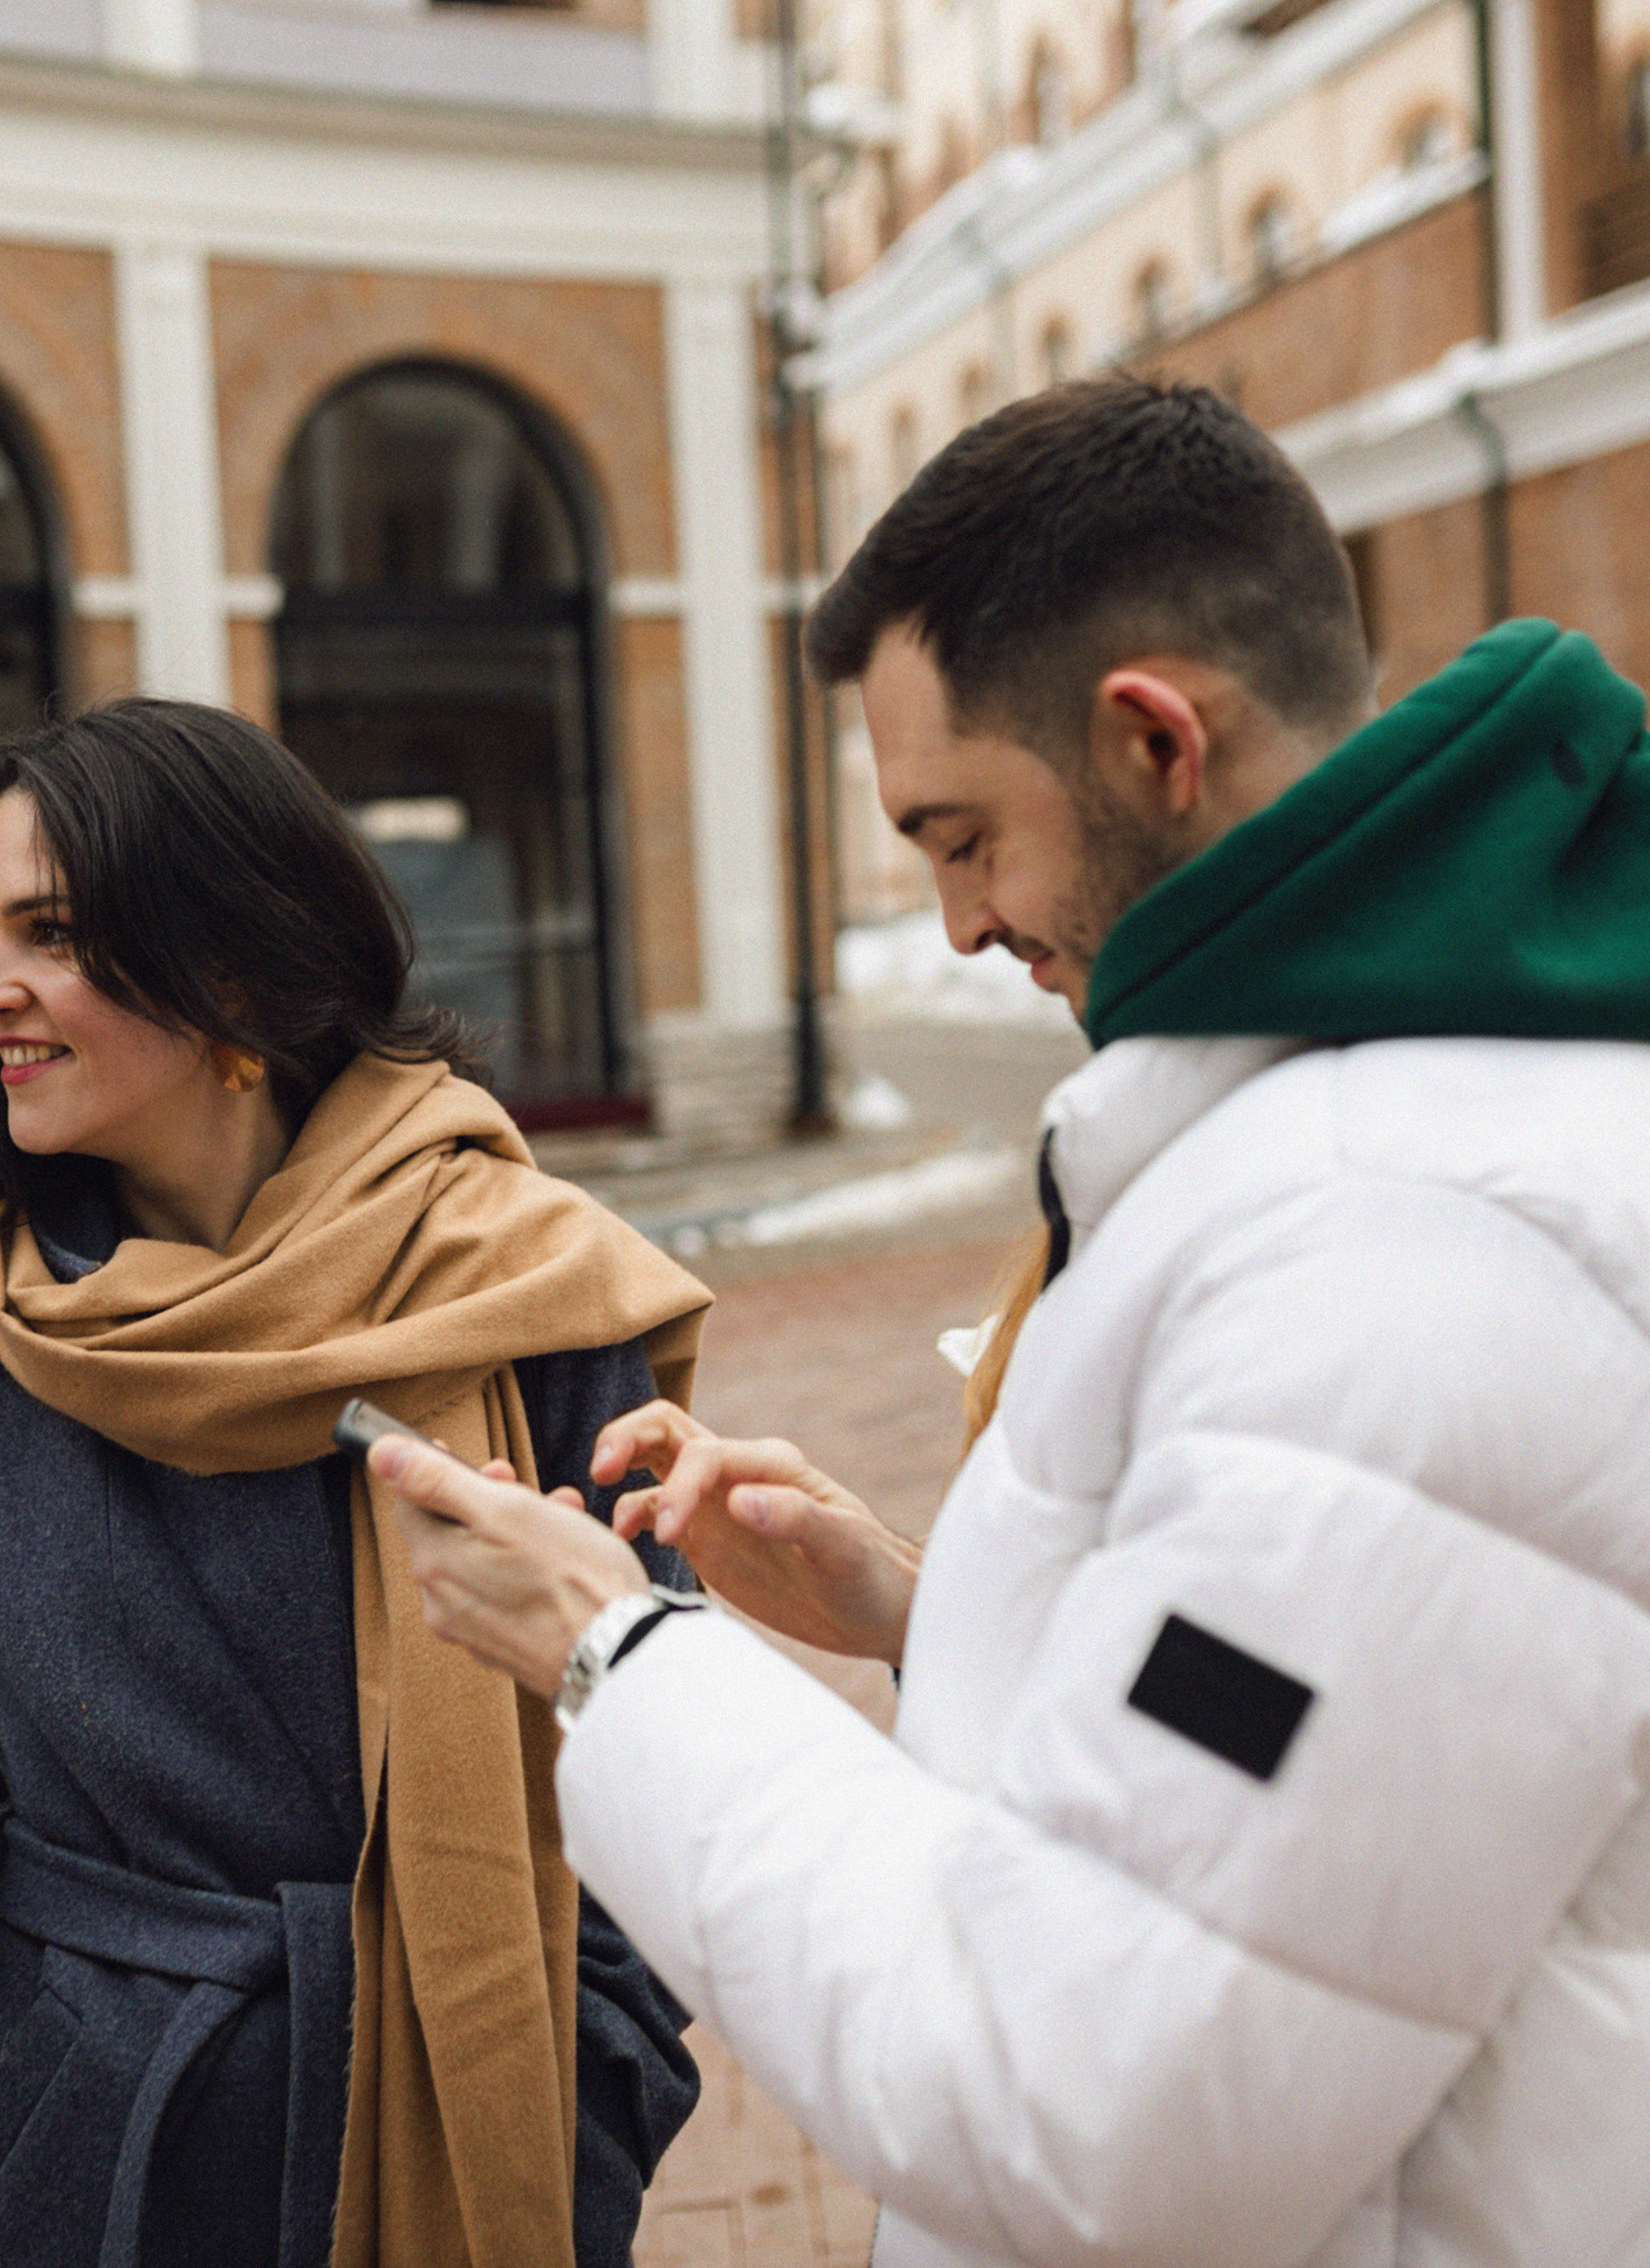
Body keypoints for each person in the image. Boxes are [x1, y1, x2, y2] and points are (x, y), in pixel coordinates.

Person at [375, 378, 1650, 2268]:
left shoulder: (1394, 1245)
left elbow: (1096, 2106)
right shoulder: (1397, 1138)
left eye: (962, 834)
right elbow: (1351, 1751)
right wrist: (936, 1608)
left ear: (1150, 739)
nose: (960, 923)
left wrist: (610, 1655)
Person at [0, 698, 714, 2268]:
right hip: (94, 2167)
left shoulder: (521, 1283)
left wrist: (595, 2093)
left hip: (475, 2109)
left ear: (233, 965)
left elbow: (659, 1736)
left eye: (51, 932)